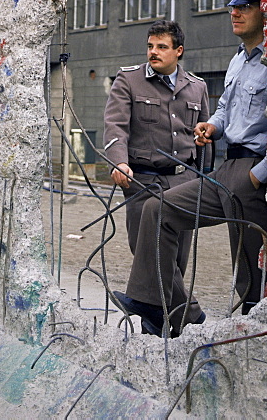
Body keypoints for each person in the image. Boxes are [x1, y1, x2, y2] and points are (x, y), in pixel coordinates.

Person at [113, 0, 267, 336]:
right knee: (158, 211)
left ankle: (257, 334)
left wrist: (261, 174)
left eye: (245, 7)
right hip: (226, 167)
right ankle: (152, 302)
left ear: (264, 10)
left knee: (251, 266)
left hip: (251, 171)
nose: (235, 13)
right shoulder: (238, 61)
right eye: (233, 6)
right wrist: (213, 126)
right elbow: (225, 111)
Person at [103, 19, 209, 335]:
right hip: (142, 182)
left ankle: (159, 323)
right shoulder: (128, 81)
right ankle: (191, 314)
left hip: (183, 181)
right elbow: (115, 127)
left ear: (178, 51)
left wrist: (202, 178)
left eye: (161, 47)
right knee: (149, 253)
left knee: (176, 258)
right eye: (150, 46)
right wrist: (118, 162)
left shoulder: (197, 87)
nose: (153, 52)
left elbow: (204, 136)